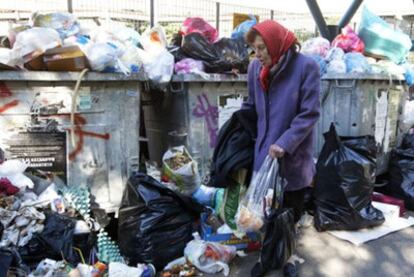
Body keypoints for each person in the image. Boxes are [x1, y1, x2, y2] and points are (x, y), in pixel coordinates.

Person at [243, 20, 321, 276]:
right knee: (263, 211)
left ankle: (287, 257)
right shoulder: (255, 68)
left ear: (277, 44)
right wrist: (235, 131)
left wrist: (285, 143)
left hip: (293, 155)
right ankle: (267, 258)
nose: (259, 54)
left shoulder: (306, 67)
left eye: (263, 48)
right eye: (255, 49)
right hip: (264, 153)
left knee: (289, 212)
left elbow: (309, 114)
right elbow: (251, 107)